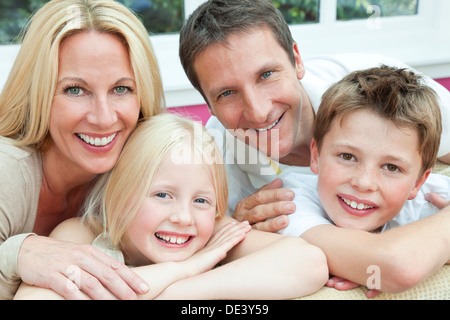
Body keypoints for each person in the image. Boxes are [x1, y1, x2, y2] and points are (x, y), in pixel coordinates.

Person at [178, 0, 450, 294]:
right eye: (227, 93)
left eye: (267, 74)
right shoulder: (210, 168)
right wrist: (236, 233)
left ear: (297, 60)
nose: (258, 111)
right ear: (208, 104)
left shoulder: (382, 91)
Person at [14, 113, 328, 300]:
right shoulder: (83, 236)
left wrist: (184, 291)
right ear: (121, 196)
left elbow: (309, 262)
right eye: (162, 195)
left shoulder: (212, 232)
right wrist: (183, 269)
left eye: (202, 200)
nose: (182, 217)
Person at [0, 0, 165, 300]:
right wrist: (15, 254)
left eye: (121, 89)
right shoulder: (6, 171)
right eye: (75, 89)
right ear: (37, 94)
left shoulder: (146, 171)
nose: (103, 118)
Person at [279, 66, 450, 296]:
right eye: (347, 156)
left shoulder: (431, 198)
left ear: (418, 182)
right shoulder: (289, 202)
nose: (363, 182)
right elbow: (395, 267)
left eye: (391, 167)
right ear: (316, 154)